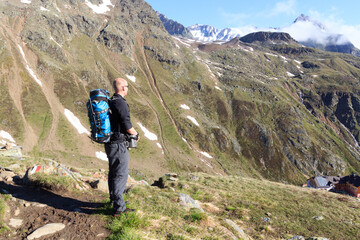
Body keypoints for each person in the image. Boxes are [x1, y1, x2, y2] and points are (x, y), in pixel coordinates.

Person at [105, 77, 140, 216]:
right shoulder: (121, 103)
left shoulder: (111, 101)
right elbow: (126, 124)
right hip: (119, 144)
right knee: (120, 173)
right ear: (123, 88)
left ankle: (115, 201)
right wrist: (136, 134)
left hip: (110, 142)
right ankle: (119, 208)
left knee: (113, 172)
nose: (128, 88)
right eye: (127, 86)